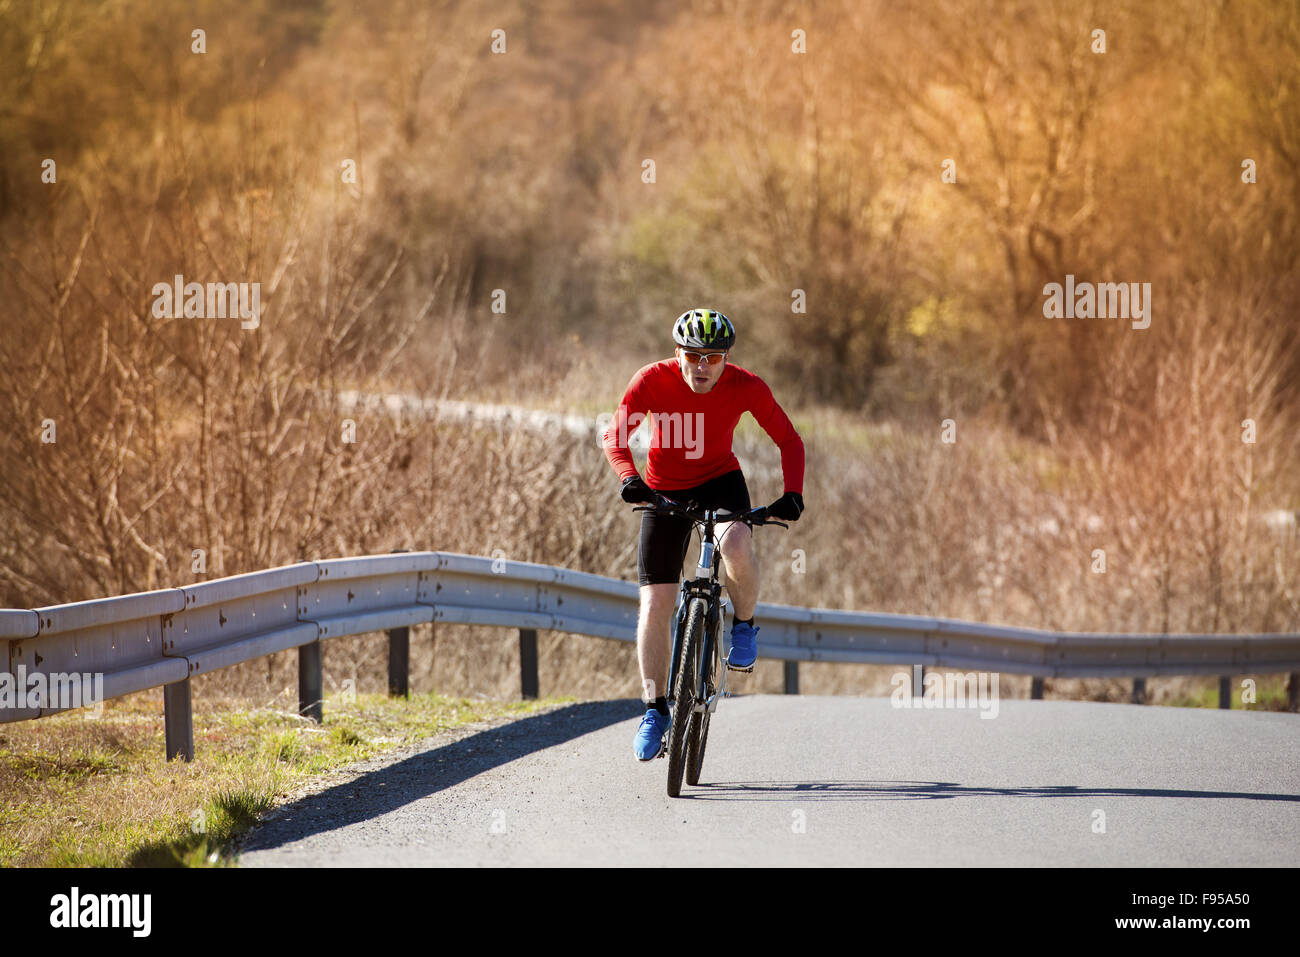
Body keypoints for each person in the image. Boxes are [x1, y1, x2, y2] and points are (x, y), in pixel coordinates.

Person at [602, 308, 805, 761]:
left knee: (735, 542)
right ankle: (655, 710)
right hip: (662, 491)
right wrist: (628, 478)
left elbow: (790, 440)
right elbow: (614, 437)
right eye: (692, 355)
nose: (701, 366)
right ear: (678, 353)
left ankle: (745, 626)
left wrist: (793, 492)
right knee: (655, 604)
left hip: (720, 481)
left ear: (726, 359)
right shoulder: (650, 380)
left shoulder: (746, 385)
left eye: (712, 357)